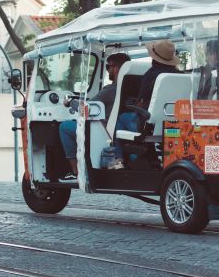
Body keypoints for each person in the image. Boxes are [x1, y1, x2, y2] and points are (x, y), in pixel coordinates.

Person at [59, 52, 130, 181]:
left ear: (116, 69)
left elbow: (86, 109)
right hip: (118, 128)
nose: (108, 70)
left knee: (64, 127)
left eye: (108, 67)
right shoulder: (132, 88)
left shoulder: (110, 89)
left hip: (102, 130)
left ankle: (76, 172)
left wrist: (70, 102)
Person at [115, 39, 180, 138]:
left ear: (154, 57)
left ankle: (119, 153)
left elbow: (141, 102)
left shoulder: (151, 75)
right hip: (176, 125)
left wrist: (132, 105)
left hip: (149, 125)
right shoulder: (179, 74)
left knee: (120, 118)